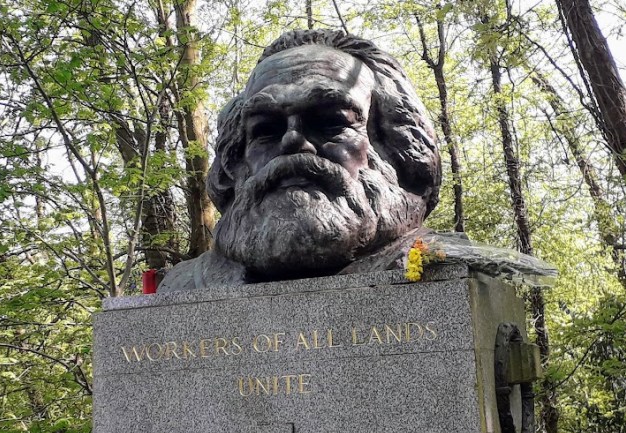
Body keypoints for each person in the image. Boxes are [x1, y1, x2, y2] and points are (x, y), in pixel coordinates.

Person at [158, 29, 442, 291]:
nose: (293, 141)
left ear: (397, 146)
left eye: (331, 122)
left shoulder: (442, 266)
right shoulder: (182, 287)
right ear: (236, 160)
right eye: (266, 129)